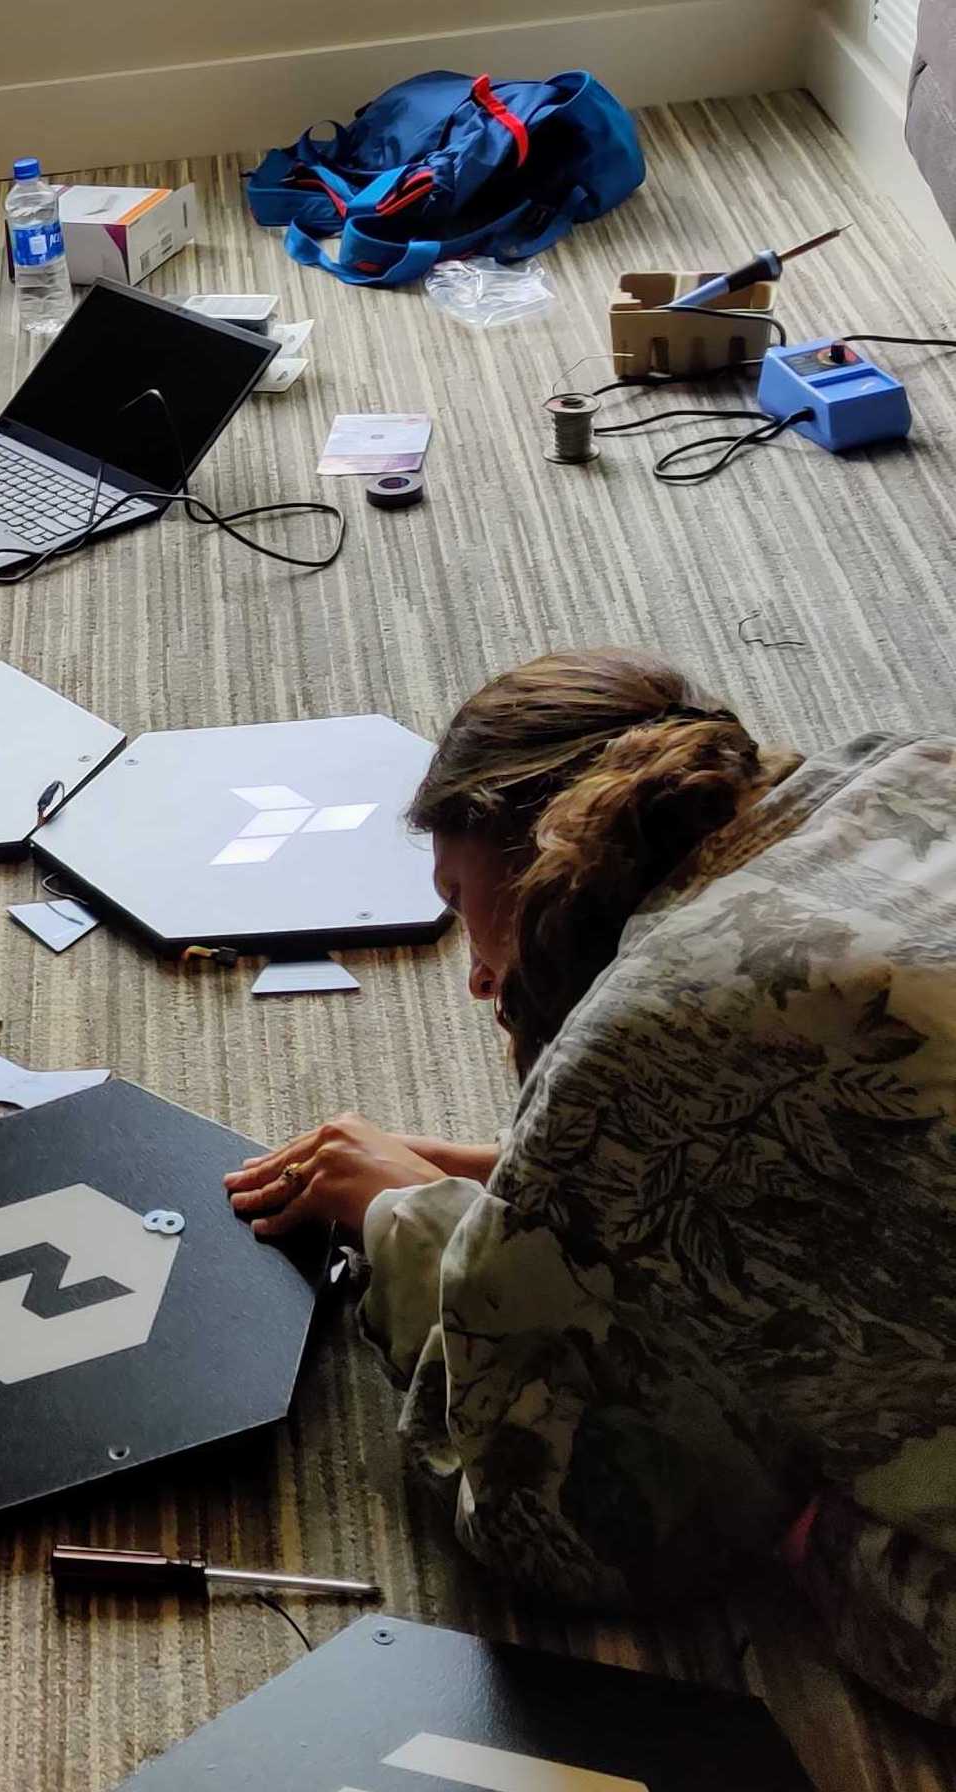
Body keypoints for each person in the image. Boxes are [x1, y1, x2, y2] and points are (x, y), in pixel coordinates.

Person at [223, 648, 956, 1724]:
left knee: (780, 1505)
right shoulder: (900, 766)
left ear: (531, 870)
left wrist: (408, 1222)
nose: (474, 974)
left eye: (461, 900)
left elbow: (566, 1524)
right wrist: (530, 1176)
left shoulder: (641, 1028)